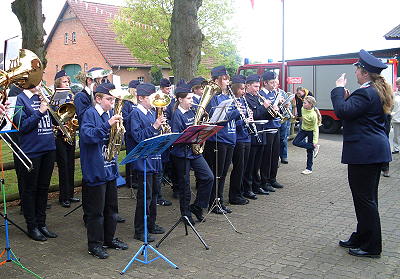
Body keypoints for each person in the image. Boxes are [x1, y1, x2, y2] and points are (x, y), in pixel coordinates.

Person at [331, 49, 392, 258]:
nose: (355, 73)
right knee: (365, 198)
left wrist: (338, 90)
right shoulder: (375, 90)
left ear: (364, 73)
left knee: (365, 200)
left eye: (357, 70)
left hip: (365, 153)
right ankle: (362, 236)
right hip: (372, 151)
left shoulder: (366, 92)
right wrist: (348, 99)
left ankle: (372, 246)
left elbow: (343, 112)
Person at [79, 83, 128, 259]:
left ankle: (109, 238)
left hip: (109, 169)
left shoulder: (109, 113)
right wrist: (108, 125)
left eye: (113, 99)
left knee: (111, 209)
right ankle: (95, 244)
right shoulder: (89, 114)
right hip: (95, 170)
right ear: (98, 99)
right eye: (109, 99)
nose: (112, 103)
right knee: (96, 212)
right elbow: (87, 136)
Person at [14, 84, 58, 241]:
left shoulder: (43, 97)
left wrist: (52, 107)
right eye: (38, 81)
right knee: (30, 190)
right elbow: (21, 126)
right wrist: (40, 111)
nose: (41, 84)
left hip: (49, 148)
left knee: (43, 188)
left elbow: (57, 120)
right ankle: (32, 226)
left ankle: (42, 224)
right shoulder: (21, 99)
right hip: (31, 151)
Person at [170, 81, 213, 224]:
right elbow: (176, 138)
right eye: (189, 98)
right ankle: (185, 214)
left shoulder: (192, 111)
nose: (192, 101)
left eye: (192, 98)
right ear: (180, 99)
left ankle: (198, 206)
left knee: (208, 177)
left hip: (193, 151)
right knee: (185, 185)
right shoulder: (177, 115)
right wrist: (193, 135)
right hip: (182, 153)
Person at [127, 83, 166, 242]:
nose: (155, 100)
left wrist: (161, 128)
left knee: (155, 194)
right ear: (141, 98)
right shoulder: (135, 114)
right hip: (143, 163)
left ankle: (151, 224)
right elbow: (137, 137)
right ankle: (140, 230)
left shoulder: (150, 112)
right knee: (145, 197)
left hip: (155, 161)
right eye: (152, 97)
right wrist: (155, 125)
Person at [203, 65, 240, 214]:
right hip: (218, 139)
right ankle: (213, 202)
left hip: (230, 138)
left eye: (227, 79)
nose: (227, 82)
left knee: (224, 173)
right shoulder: (213, 97)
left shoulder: (228, 96)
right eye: (224, 79)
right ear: (216, 80)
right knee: (216, 173)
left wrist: (240, 114)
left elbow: (232, 120)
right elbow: (216, 120)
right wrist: (235, 113)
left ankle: (220, 201)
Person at [242, 74, 273, 200]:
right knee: (250, 164)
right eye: (255, 86)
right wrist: (264, 107)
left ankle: (256, 185)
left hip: (261, 132)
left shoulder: (257, 98)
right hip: (253, 134)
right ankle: (247, 188)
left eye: (258, 86)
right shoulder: (247, 99)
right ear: (248, 86)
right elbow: (254, 115)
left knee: (257, 164)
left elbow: (264, 115)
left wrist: (272, 110)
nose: (257, 89)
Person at [53, 70, 80, 208]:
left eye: (68, 81)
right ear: (58, 83)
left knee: (70, 165)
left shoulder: (71, 96)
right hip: (59, 136)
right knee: (63, 166)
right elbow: (53, 118)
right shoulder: (54, 99)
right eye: (64, 81)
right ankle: (63, 197)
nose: (67, 84)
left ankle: (70, 194)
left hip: (70, 133)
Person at [258, 71, 285, 192]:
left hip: (276, 126)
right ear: (265, 83)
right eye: (272, 82)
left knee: (275, 155)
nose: (274, 84)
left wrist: (280, 105)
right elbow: (262, 113)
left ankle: (273, 179)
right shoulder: (261, 94)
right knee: (267, 157)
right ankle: (265, 181)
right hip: (267, 128)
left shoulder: (274, 93)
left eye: (275, 82)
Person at [228, 75, 251, 205]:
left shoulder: (243, 100)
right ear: (236, 88)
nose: (244, 92)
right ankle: (234, 195)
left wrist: (248, 118)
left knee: (244, 167)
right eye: (242, 89)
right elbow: (230, 122)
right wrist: (243, 121)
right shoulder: (232, 101)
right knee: (238, 167)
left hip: (246, 137)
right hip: (238, 138)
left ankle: (240, 192)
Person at [292, 96, 321, 174]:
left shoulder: (313, 115)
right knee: (295, 142)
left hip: (311, 131)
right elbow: (301, 116)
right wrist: (295, 117)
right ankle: (313, 147)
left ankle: (309, 169)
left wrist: (315, 141)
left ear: (310, 104)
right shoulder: (302, 108)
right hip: (303, 130)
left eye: (305, 103)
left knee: (309, 151)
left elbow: (316, 129)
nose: (303, 104)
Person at [122, 80, 140, 189]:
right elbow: (124, 118)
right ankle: (130, 180)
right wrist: (134, 115)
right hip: (129, 134)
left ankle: (137, 178)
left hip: (137, 133)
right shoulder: (127, 103)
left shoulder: (139, 102)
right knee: (131, 157)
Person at [391, 77, 400, 154]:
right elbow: (391, 106)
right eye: (397, 83)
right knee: (396, 135)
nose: (398, 85)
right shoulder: (394, 95)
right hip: (396, 118)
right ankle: (396, 148)